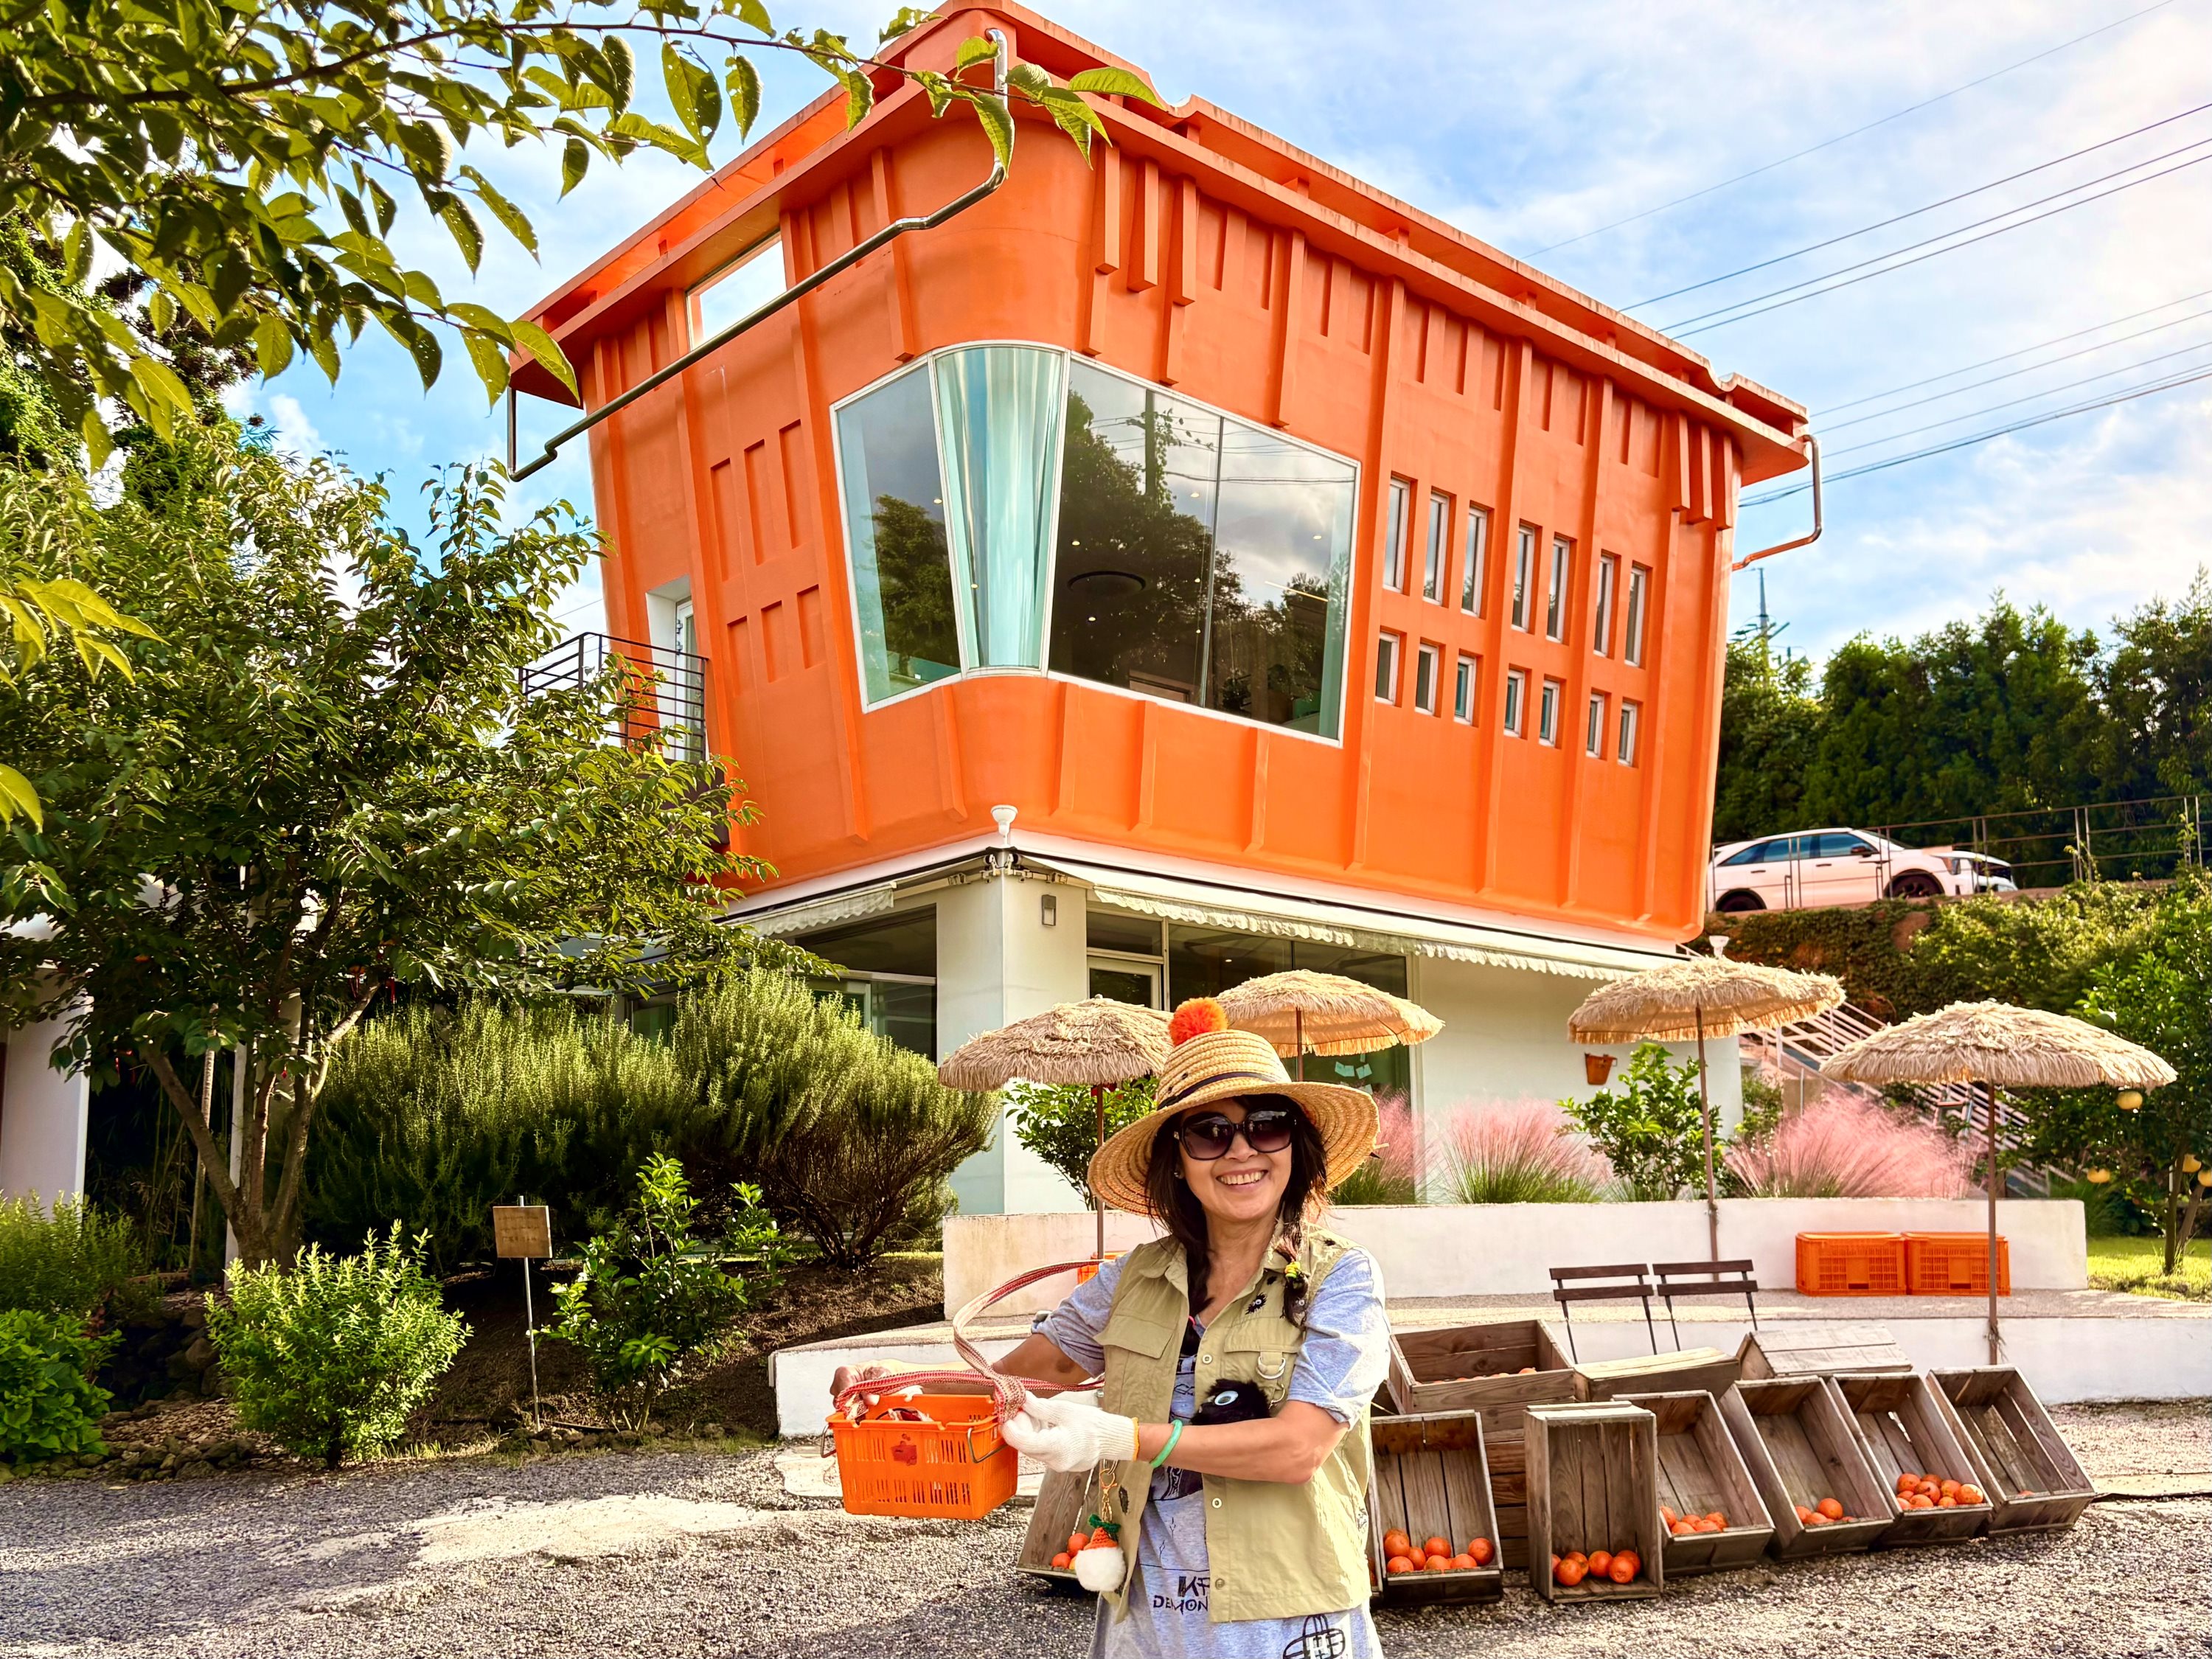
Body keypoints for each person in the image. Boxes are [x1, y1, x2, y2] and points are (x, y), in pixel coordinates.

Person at [996, 998, 1390, 1658]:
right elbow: (1020, 1378)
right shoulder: (1132, 1279)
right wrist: (899, 1386)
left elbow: (1298, 1449)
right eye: (1209, 1132)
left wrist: (1122, 1437)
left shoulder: (1341, 1279)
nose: (1240, 1151)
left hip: (1286, 1624)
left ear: (1296, 1145)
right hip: (1148, 1624)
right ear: (1177, 1159)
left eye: (1267, 1126)